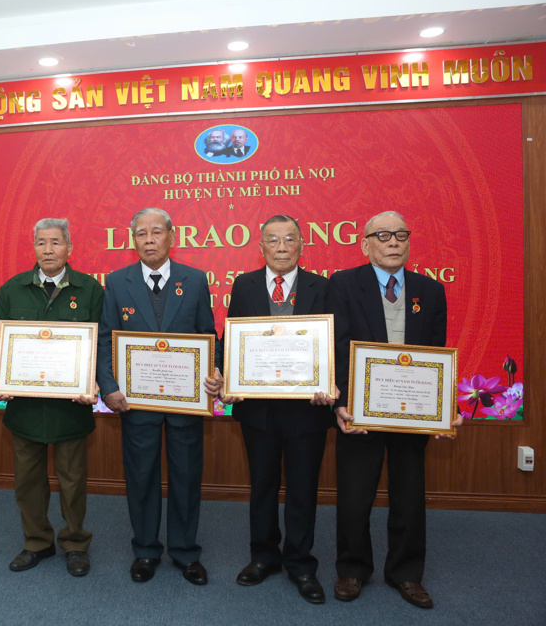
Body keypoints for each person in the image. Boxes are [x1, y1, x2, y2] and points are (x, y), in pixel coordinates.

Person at [329, 210, 463, 609]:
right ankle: (352, 569)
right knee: (354, 495)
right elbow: (337, 348)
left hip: (411, 412)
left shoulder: (431, 289)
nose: (392, 243)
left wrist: (444, 407)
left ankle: (406, 573)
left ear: (408, 242)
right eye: (383, 235)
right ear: (365, 243)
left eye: (400, 235)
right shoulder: (344, 284)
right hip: (359, 412)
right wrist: (340, 403)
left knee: (409, 494)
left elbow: (435, 357)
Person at [97, 207, 223, 586]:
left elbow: (208, 336)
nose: (148, 240)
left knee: (186, 476)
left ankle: (186, 553)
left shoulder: (196, 280)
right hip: (135, 402)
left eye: (156, 232)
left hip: (185, 402)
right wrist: (110, 387)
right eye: (140, 234)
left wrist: (215, 373)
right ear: (132, 240)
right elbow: (106, 338)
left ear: (172, 236)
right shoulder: (117, 283)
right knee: (142, 475)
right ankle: (146, 550)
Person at [221, 215, 336, 604]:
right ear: (262, 246)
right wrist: (227, 378)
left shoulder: (323, 287)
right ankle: (263, 557)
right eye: (274, 240)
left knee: (303, 488)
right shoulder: (245, 285)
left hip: (307, 410)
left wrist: (333, 384)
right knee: (263, 486)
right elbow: (231, 337)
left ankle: (301, 564)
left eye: (290, 239)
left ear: (303, 245)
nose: (282, 246)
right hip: (259, 411)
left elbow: (333, 344)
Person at [0, 218, 104, 577]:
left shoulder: (89, 290)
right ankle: (36, 542)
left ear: (70, 247)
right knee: (28, 481)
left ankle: (75, 543)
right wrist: (0, 377)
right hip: (25, 408)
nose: (48, 249)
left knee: (72, 481)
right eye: (41, 243)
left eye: (55, 242)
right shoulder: (12, 289)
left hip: (71, 409)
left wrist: (93, 381)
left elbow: (101, 343)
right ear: (33, 248)